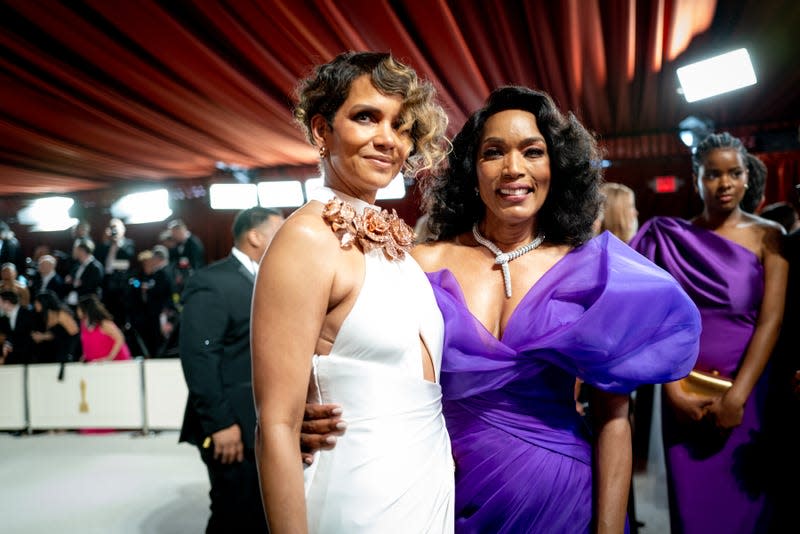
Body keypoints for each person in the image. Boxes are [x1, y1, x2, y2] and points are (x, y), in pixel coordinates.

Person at [301, 85, 702, 533]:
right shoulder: (419, 263)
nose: (513, 169)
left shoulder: (593, 270)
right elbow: (355, 344)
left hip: (564, 497)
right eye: (493, 152)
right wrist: (307, 406)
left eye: (533, 151)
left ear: (557, 166)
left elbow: (614, 419)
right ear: (472, 170)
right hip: (440, 490)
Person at [252, 51, 453, 534]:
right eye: (366, 117)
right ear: (323, 131)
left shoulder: (398, 244)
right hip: (357, 500)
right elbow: (277, 427)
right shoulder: (306, 239)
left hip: (426, 486)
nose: (388, 139)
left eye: (401, 126)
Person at [630, 132, 788, 534]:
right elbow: (656, 324)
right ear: (696, 177)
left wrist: (738, 397)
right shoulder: (668, 238)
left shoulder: (770, 236)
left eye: (734, 173)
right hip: (684, 397)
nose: (725, 183)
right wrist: (675, 394)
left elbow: (771, 321)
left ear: (747, 177)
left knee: (752, 511)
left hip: (750, 397)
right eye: (713, 174)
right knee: (694, 516)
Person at [179, 206, 284, 534]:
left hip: (263, 422)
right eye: (278, 230)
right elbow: (200, 356)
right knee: (234, 513)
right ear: (255, 235)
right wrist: (221, 423)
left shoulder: (273, 279)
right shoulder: (212, 281)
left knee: (261, 512)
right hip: (230, 425)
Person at [94, 218, 137, 330]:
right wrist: (105, 239)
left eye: (116, 228)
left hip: (121, 285)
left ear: (123, 229)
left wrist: (118, 243)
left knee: (120, 315)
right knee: (108, 311)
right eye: (112, 228)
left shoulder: (128, 243)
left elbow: (127, 263)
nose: (114, 231)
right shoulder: (106, 245)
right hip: (107, 282)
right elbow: (98, 258)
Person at [76, 294, 131, 363]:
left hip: (115, 363)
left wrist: (109, 358)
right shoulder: (83, 324)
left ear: (86, 309)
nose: (77, 311)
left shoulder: (104, 323)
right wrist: (85, 356)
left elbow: (120, 338)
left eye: (79, 308)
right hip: (95, 364)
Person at [30, 290, 80, 365]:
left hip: (66, 353)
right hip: (53, 351)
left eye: (37, 302)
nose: (35, 304)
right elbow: (54, 334)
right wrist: (41, 337)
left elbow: (75, 333)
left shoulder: (61, 314)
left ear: (44, 303)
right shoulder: (43, 315)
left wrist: (69, 353)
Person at [63, 238, 104, 308]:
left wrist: (76, 282)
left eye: (75, 249)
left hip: (88, 304)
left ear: (82, 251)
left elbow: (92, 287)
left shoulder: (96, 267)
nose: (73, 251)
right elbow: (71, 283)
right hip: (74, 301)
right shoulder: (76, 266)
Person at [0, 290, 36, 365]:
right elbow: (9, 336)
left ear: (7, 303)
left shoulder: (27, 314)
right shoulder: (3, 318)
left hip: (30, 358)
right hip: (14, 358)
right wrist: (7, 344)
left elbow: (29, 337)